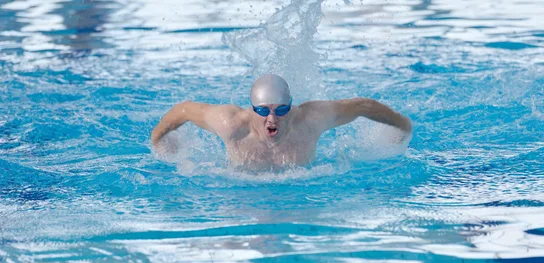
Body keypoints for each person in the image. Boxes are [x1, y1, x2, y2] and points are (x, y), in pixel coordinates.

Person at [151, 74, 413, 170]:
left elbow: (361, 106)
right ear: (251, 109)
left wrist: (401, 124)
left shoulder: (310, 119)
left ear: (293, 106)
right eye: (263, 111)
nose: (272, 119)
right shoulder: (230, 123)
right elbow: (183, 110)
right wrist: (159, 138)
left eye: (282, 110)